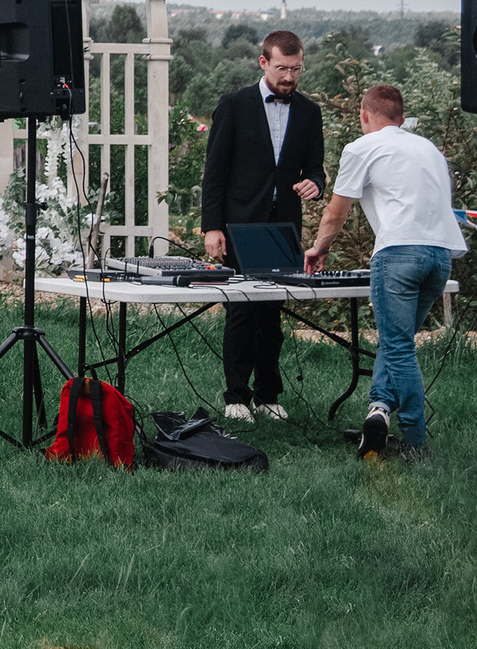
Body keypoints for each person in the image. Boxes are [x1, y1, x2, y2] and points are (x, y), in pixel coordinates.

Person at [305, 84, 466, 460]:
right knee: (399, 340)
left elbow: (336, 212)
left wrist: (319, 248)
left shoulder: (362, 147)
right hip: (441, 254)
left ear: (364, 115)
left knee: (398, 345)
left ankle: (415, 442)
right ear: (401, 117)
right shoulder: (428, 149)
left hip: (398, 254)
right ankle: (378, 409)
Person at [199, 29, 325, 421]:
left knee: (272, 313)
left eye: (297, 69)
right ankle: (235, 396)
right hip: (239, 224)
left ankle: (268, 395)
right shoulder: (233, 105)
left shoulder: (309, 112)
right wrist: (211, 227)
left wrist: (315, 185)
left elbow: (317, 168)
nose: (290, 77)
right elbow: (214, 172)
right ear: (264, 63)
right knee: (240, 309)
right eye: (283, 68)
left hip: (283, 225)